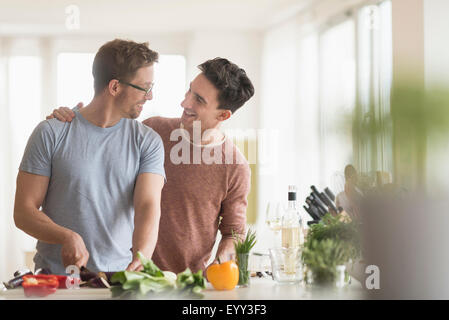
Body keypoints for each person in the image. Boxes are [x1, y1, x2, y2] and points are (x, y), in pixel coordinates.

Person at [49, 57, 255, 273]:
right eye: (189, 91)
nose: (185, 103)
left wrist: (222, 261)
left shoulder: (235, 167)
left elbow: (234, 232)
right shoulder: (153, 130)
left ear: (223, 115)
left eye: (199, 100)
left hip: (182, 283)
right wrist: (69, 124)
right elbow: (102, 140)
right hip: (124, 272)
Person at [14, 39, 166, 275]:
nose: (150, 96)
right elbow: (24, 212)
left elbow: (147, 205)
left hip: (117, 279)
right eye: (145, 88)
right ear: (115, 87)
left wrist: (141, 257)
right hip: (57, 279)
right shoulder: (51, 132)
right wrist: (66, 236)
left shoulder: (148, 142)